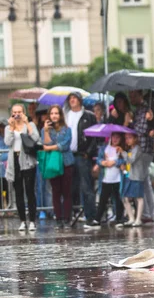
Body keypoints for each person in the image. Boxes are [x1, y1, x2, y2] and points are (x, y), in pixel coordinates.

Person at [5, 104, 40, 231]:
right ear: (11, 114)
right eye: (15, 112)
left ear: (23, 112)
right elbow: (8, 142)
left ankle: (32, 220)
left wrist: (28, 124)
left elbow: (36, 138)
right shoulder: (9, 127)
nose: (17, 114)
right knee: (18, 192)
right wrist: (11, 128)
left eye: (19, 112)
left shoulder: (29, 125)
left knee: (30, 191)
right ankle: (22, 220)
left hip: (27, 160)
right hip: (14, 159)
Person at [65, 92, 97, 225]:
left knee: (86, 186)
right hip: (68, 154)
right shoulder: (66, 116)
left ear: (80, 100)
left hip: (82, 155)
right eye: (70, 99)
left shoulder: (88, 116)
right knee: (70, 187)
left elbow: (95, 136)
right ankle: (70, 214)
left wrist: (89, 153)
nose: (72, 100)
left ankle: (91, 217)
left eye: (74, 98)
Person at [42, 105, 75, 230]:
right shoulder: (45, 129)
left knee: (66, 192)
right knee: (56, 192)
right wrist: (45, 131)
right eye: (52, 113)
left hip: (66, 163)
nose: (54, 116)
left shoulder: (67, 129)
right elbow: (45, 143)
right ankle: (59, 218)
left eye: (56, 113)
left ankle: (67, 218)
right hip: (53, 164)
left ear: (60, 115)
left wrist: (50, 147)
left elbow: (65, 145)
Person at [85, 133, 126, 229]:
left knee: (118, 198)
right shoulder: (104, 148)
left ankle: (120, 218)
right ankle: (97, 220)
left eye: (117, 137)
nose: (115, 139)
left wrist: (115, 162)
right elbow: (99, 159)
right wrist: (103, 162)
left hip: (118, 178)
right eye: (114, 137)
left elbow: (124, 160)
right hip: (106, 178)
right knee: (103, 199)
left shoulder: (120, 149)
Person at [128, 90, 154, 224]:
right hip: (142, 150)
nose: (131, 98)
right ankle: (148, 213)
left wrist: (131, 123)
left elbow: (142, 130)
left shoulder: (144, 109)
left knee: (142, 181)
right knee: (145, 181)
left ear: (140, 95)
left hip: (144, 149)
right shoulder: (137, 110)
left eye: (133, 95)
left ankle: (147, 213)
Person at [121, 133, 146, 227]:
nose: (128, 140)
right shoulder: (131, 149)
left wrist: (123, 152)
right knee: (125, 197)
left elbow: (131, 160)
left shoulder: (137, 149)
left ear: (135, 138)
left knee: (139, 197)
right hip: (129, 176)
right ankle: (131, 218)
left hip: (137, 176)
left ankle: (138, 219)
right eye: (126, 138)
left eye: (130, 138)